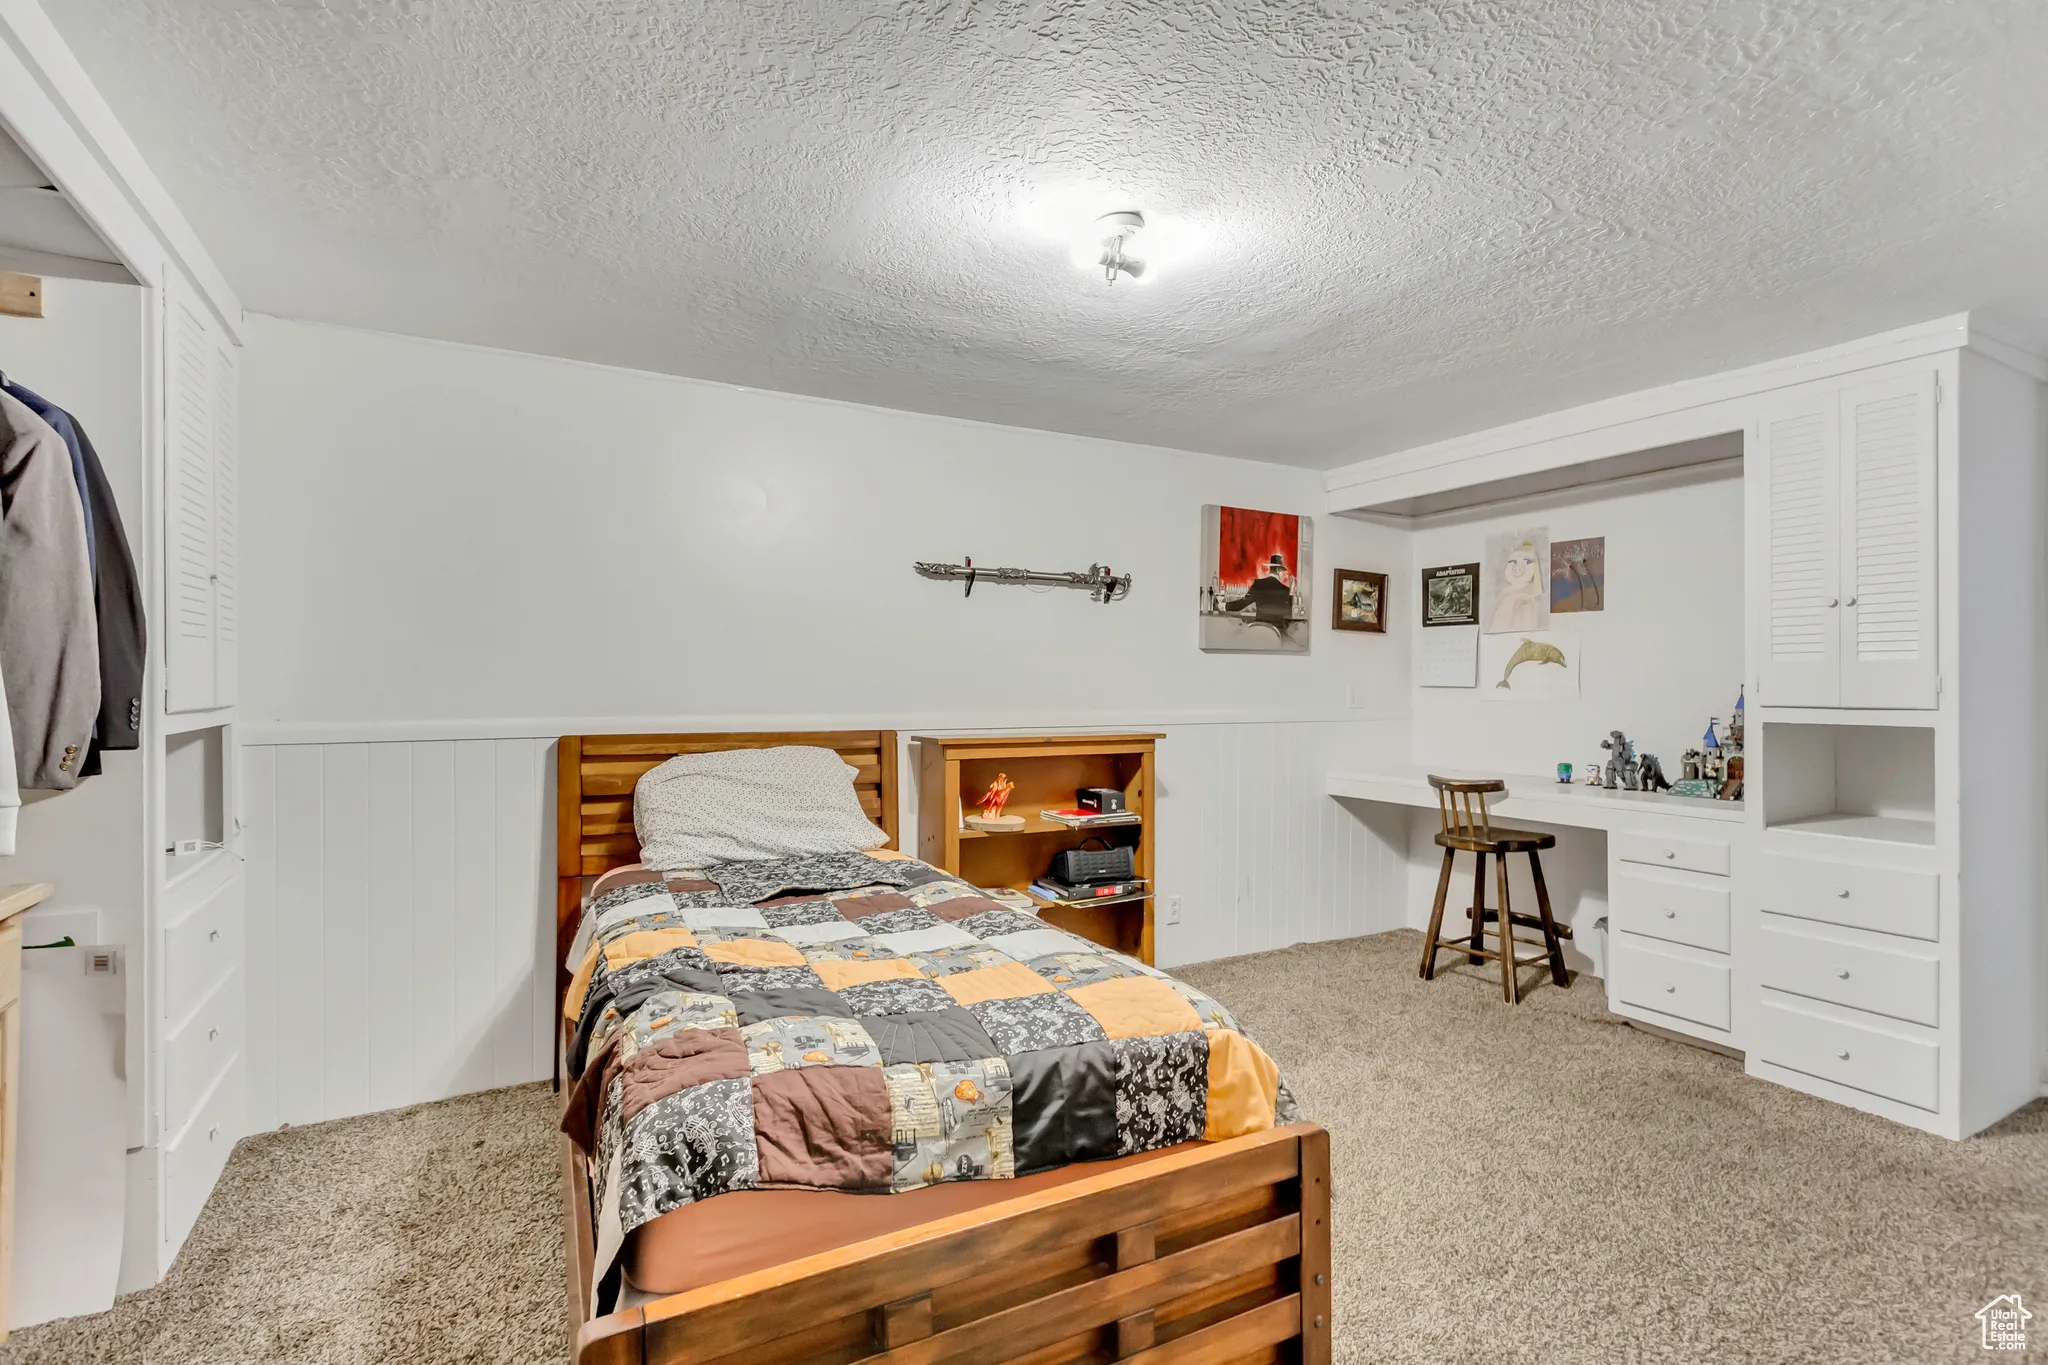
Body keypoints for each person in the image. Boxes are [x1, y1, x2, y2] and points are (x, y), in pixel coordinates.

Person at [1228, 552, 1295, 624]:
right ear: (1278, 570)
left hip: (1260, 629)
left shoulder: (1258, 584)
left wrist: (1224, 606)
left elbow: (1242, 603)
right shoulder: (1285, 590)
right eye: (1282, 571)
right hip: (1275, 632)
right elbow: (1290, 612)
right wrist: (1291, 591)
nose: (1282, 574)